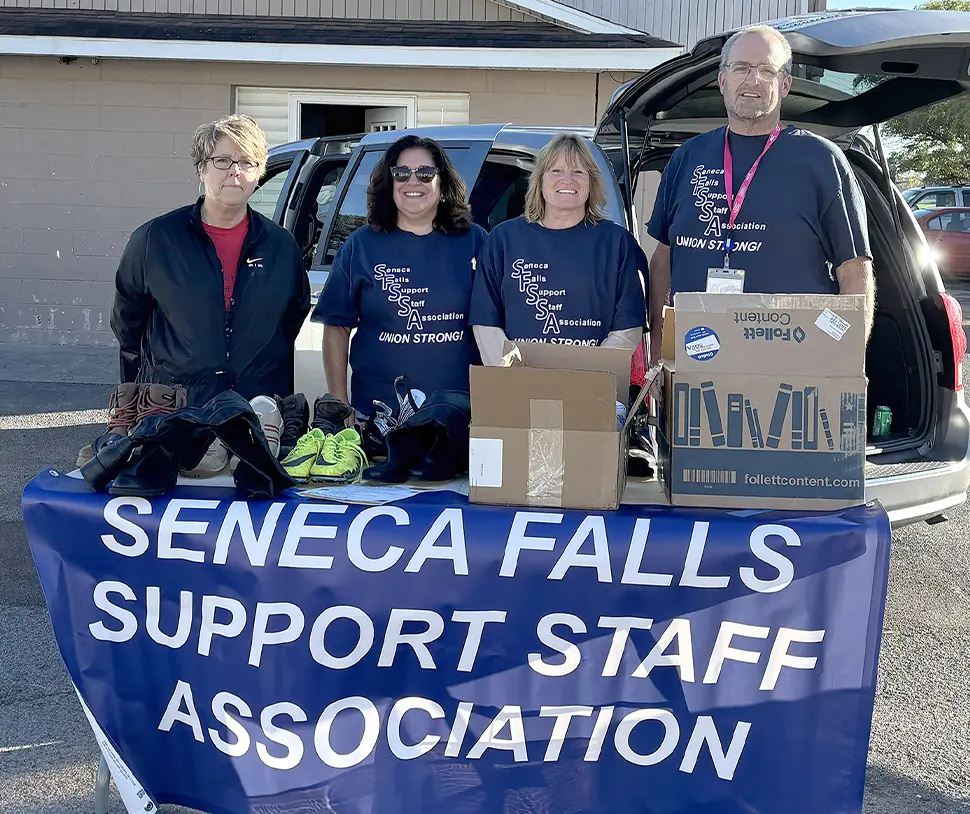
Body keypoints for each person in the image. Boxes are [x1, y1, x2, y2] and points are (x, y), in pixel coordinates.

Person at [646, 24, 875, 363]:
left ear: (785, 85)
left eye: (767, 70)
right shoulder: (687, 158)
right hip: (696, 360)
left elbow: (854, 271)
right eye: (741, 68)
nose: (752, 80)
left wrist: (838, 360)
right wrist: (658, 350)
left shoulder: (821, 160)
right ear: (722, 80)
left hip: (792, 369)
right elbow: (663, 259)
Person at [106, 113, 309, 474]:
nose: (235, 171)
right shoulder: (156, 240)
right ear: (202, 168)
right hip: (178, 410)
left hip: (255, 412)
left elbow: (290, 320)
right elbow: (128, 323)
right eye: (222, 161)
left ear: (259, 171)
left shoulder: (281, 246)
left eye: (247, 161)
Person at [314, 134, 487, 420]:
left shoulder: (475, 242)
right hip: (377, 418)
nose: (413, 181)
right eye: (401, 173)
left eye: (425, 173)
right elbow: (337, 326)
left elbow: (496, 324)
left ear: (442, 183)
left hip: (460, 418)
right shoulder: (361, 246)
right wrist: (340, 403)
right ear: (390, 183)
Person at [469, 133, 647, 365]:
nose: (567, 180)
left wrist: (586, 377)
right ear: (539, 181)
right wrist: (512, 374)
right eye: (556, 171)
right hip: (517, 387)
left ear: (591, 182)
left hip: (592, 389)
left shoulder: (618, 243)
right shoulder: (503, 240)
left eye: (578, 172)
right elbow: (486, 324)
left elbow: (627, 329)